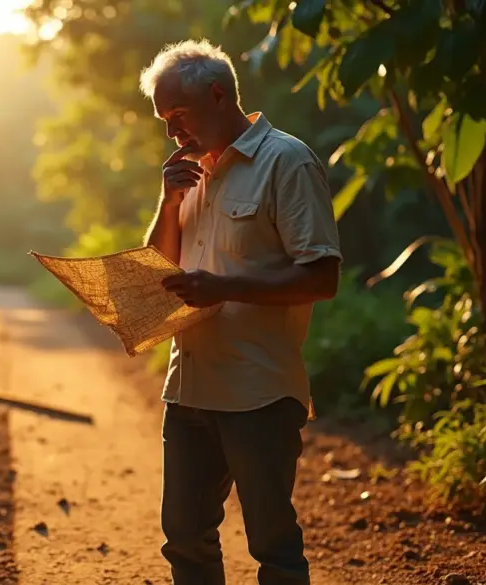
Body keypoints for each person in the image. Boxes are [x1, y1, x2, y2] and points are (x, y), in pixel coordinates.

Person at [138, 39, 343, 585]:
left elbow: (322, 277)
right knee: (184, 538)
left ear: (218, 94)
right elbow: (160, 270)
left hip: (259, 391)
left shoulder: (287, 161)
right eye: (162, 119)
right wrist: (168, 201)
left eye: (177, 114)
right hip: (188, 389)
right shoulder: (188, 171)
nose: (169, 131)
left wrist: (224, 288)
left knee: (272, 546)